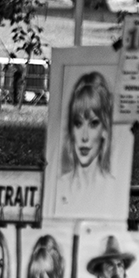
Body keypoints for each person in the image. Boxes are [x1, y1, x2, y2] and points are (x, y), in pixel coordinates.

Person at [52, 71, 118, 213]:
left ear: (105, 130)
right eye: (78, 123)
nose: (84, 137)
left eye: (93, 123)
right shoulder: (57, 187)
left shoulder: (114, 189)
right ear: (71, 129)